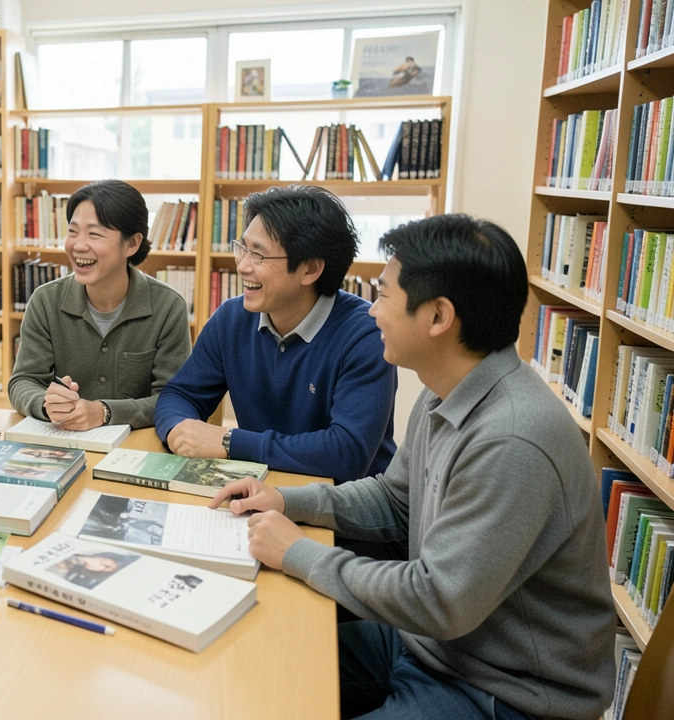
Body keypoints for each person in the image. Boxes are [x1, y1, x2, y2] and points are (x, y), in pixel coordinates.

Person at [211, 214, 613, 720]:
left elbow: (439, 599)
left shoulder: (512, 438)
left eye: (383, 295)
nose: (372, 311)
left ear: (438, 316)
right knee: (249, 662)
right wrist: (288, 500)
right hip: (430, 646)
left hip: (502, 690)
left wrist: (298, 552)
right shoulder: (447, 387)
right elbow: (395, 500)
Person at [154, 185, 397, 483]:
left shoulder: (366, 335)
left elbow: (346, 454)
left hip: (341, 503)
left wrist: (230, 441)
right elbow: (180, 394)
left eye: (258, 255)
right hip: (257, 488)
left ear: (310, 269)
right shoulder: (231, 319)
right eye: (242, 248)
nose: (242, 266)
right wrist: (177, 429)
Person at [8, 180, 192, 431]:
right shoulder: (45, 301)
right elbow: (23, 381)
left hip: (136, 445)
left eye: (94, 234)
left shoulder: (168, 307)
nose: (78, 245)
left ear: (132, 243)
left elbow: (172, 398)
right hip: (64, 441)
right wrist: (46, 404)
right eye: (73, 232)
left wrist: (105, 412)